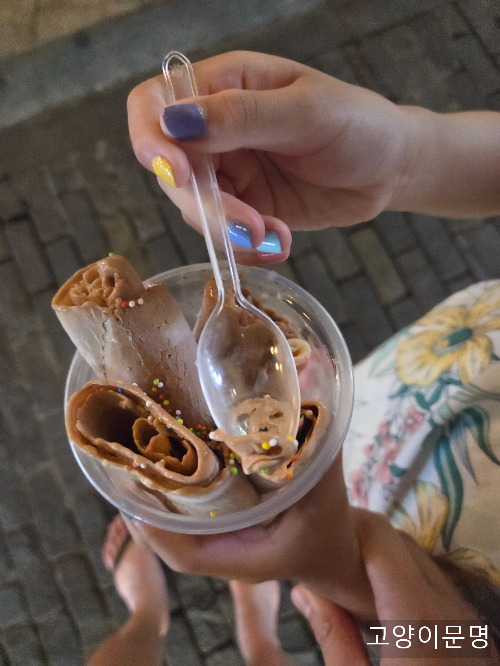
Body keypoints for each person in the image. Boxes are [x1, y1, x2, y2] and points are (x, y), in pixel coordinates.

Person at [123, 51, 500, 663]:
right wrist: (407, 156)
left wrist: (340, 565)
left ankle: (256, 639)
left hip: (399, 507)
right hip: (428, 381)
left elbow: (467, 637)